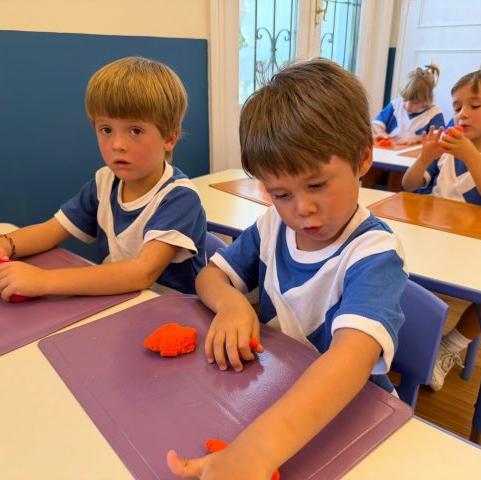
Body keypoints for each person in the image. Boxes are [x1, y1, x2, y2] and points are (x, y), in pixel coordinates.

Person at [166, 59, 408, 479]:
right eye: (281, 194)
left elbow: (349, 360)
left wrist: (257, 450)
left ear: (363, 158)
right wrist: (233, 305)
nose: (303, 209)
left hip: (353, 416)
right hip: (276, 394)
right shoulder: (272, 227)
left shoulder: (375, 254)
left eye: (317, 185)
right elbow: (210, 276)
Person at [0, 57, 206, 299]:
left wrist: (43, 280)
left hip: (171, 312)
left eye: (135, 131)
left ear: (170, 138)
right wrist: (0, 244)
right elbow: (50, 231)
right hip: (119, 303)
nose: (117, 144)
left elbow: (141, 273)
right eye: (106, 130)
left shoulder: (180, 198)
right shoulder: (105, 182)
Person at [402, 69, 481, 391]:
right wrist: (424, 158)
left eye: (474, 105)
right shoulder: (445, 152)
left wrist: (470, 155)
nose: (462, 114)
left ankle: (449, 347)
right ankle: (404, 342)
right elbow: (409, 185)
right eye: (457, 107)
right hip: (431, 242)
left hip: (474, 252)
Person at [364, 64, 446, 191]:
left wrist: (418, 139)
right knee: (368, 175)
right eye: (405, 99)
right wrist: (382, 133)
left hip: (407, 160)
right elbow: (377, 123)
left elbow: (438, 136)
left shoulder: (434, 113)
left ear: (427, 99)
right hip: (387, 153)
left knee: (396, 182)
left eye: (414, 102)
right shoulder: (395, 105)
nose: (408, 106)